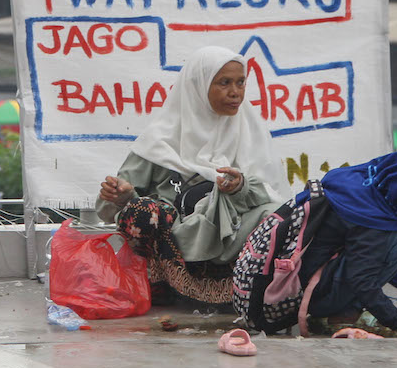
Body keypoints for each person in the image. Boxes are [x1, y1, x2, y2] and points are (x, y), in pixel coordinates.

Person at [97, 45, 288, 304]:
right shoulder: (159, 140)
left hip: (230, 235)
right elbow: (117, 200)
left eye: (240, 82)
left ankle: (246, 289)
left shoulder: (250, 133)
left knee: (277, 215)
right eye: (224, 83)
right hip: (176, 242)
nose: (235, 93)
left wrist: (239, 186)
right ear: (198, 86)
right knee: (143, 211)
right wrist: (122, 196)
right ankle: (165, 286)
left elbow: (267, 194)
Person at [298, 151, 397, 337]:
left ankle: (345, 307)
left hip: (301, 285)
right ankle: (342, 313)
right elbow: (362, 280)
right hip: (314, 297)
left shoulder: (356, 185)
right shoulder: (370, 219)